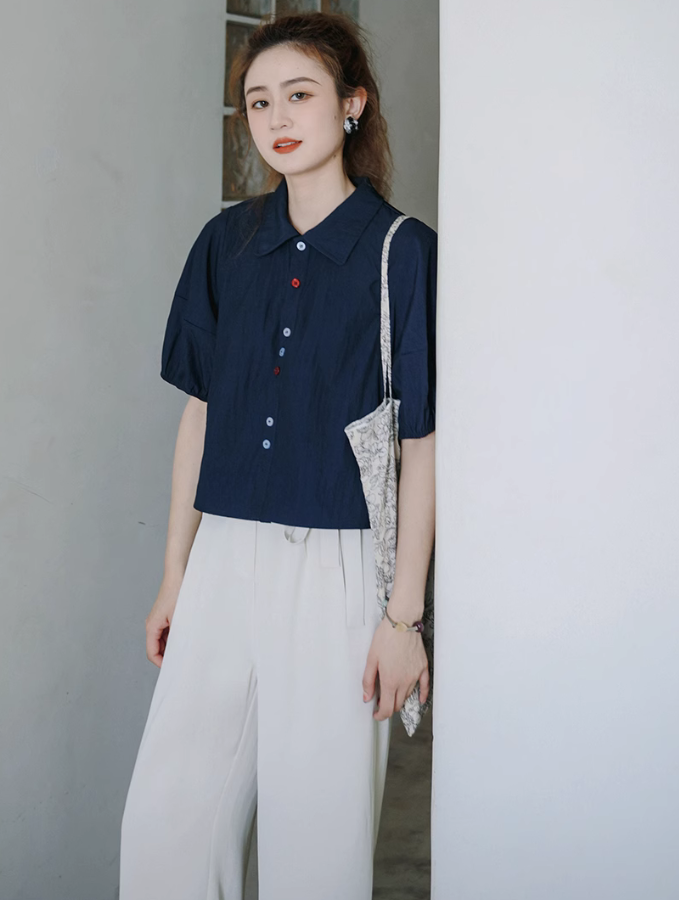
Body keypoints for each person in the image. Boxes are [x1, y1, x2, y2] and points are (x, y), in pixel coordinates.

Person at [119, 11, 436, 900]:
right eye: (258, 101)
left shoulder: (402, 252)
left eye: (299, 94)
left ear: (351, 104)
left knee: (318, 844)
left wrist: (403, 620)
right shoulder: (225, 245)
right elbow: (200, 418)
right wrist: (176, 576)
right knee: (168, 825)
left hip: (337, 568)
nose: (277, 118)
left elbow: (421, 448)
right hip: (222, 557)